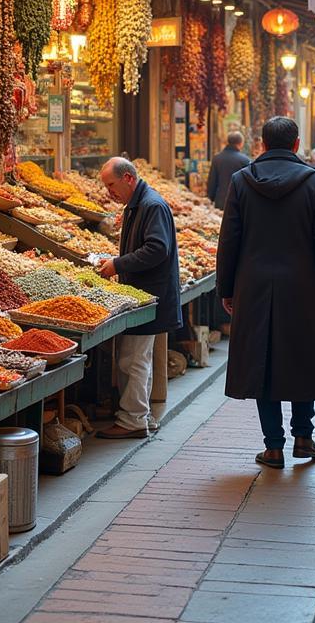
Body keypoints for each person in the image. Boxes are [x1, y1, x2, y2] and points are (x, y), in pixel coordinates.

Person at [216, 116, 315, 468]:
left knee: (262, 360)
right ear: (297, 144)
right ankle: (303, 437)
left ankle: (273, 446)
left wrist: (226, 287)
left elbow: (230, 240)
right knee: (302, 359)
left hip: (253, 285)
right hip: (303, 286)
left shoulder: (242, 182)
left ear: (262, 145)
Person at [95, 158, 182, 439]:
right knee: (136, 358)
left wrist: (118, 264)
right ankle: (141, 415)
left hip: (149, 295)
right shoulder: (139, 203)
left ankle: (132, 420)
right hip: (144, 295)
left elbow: (157, 249)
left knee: (133, 360)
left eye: (111, 185)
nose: (109, 192)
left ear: (129, 178)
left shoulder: (151, 205)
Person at [206, 131, 251, 210]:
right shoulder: (245, 160)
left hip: (221, 200)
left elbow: (212, 181)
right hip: (239, 201)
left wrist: (211, 197)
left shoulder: (217, 158)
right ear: (240, 143)